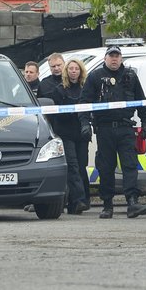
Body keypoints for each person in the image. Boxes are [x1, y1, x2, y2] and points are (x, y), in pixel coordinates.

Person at [78, 45, 146, 218]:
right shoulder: (95, 77)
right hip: (105, 129)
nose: (114, 59)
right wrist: (85, 123)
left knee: (130, 165)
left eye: (117, 56)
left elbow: (141, 101)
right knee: (106, 167)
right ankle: (107, 205)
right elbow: (84, 102)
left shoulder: (130, 76)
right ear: (105, 58)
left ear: (121, 58)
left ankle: (132, 202)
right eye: (111, 56)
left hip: (126, 128)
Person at [51, 58, 92, 214]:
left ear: (80, 71)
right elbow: (55, 114)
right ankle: (78, 199)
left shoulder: (85, 89)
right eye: (71, 69)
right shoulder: (59, 90)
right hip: (65, 132)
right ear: (66, 71)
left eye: (76, 69)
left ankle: (82, 201)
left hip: (81, 133)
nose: (73, 71)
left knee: (82, 166)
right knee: (73, 167)